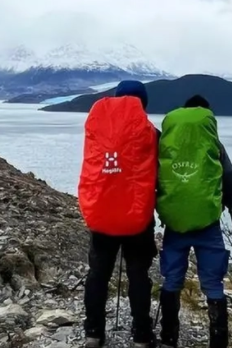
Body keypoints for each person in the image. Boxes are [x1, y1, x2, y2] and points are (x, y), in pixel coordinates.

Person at [79, 80, 159, 348]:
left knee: (98, 274)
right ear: (142, 102)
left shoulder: (95, 127)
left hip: (101, 214)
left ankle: (93, 332)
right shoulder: (150, 132)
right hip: (138, 218)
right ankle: (141, 336)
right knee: (138, 275)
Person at [156, 95, 232, 348]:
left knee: (172, 280)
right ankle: (218, 341)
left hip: (175, 220)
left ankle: (169, 338)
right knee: (213, 283)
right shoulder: (214, 144)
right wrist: (228, 201)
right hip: (207, 222)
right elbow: (229, 174)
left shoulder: (166, 141)